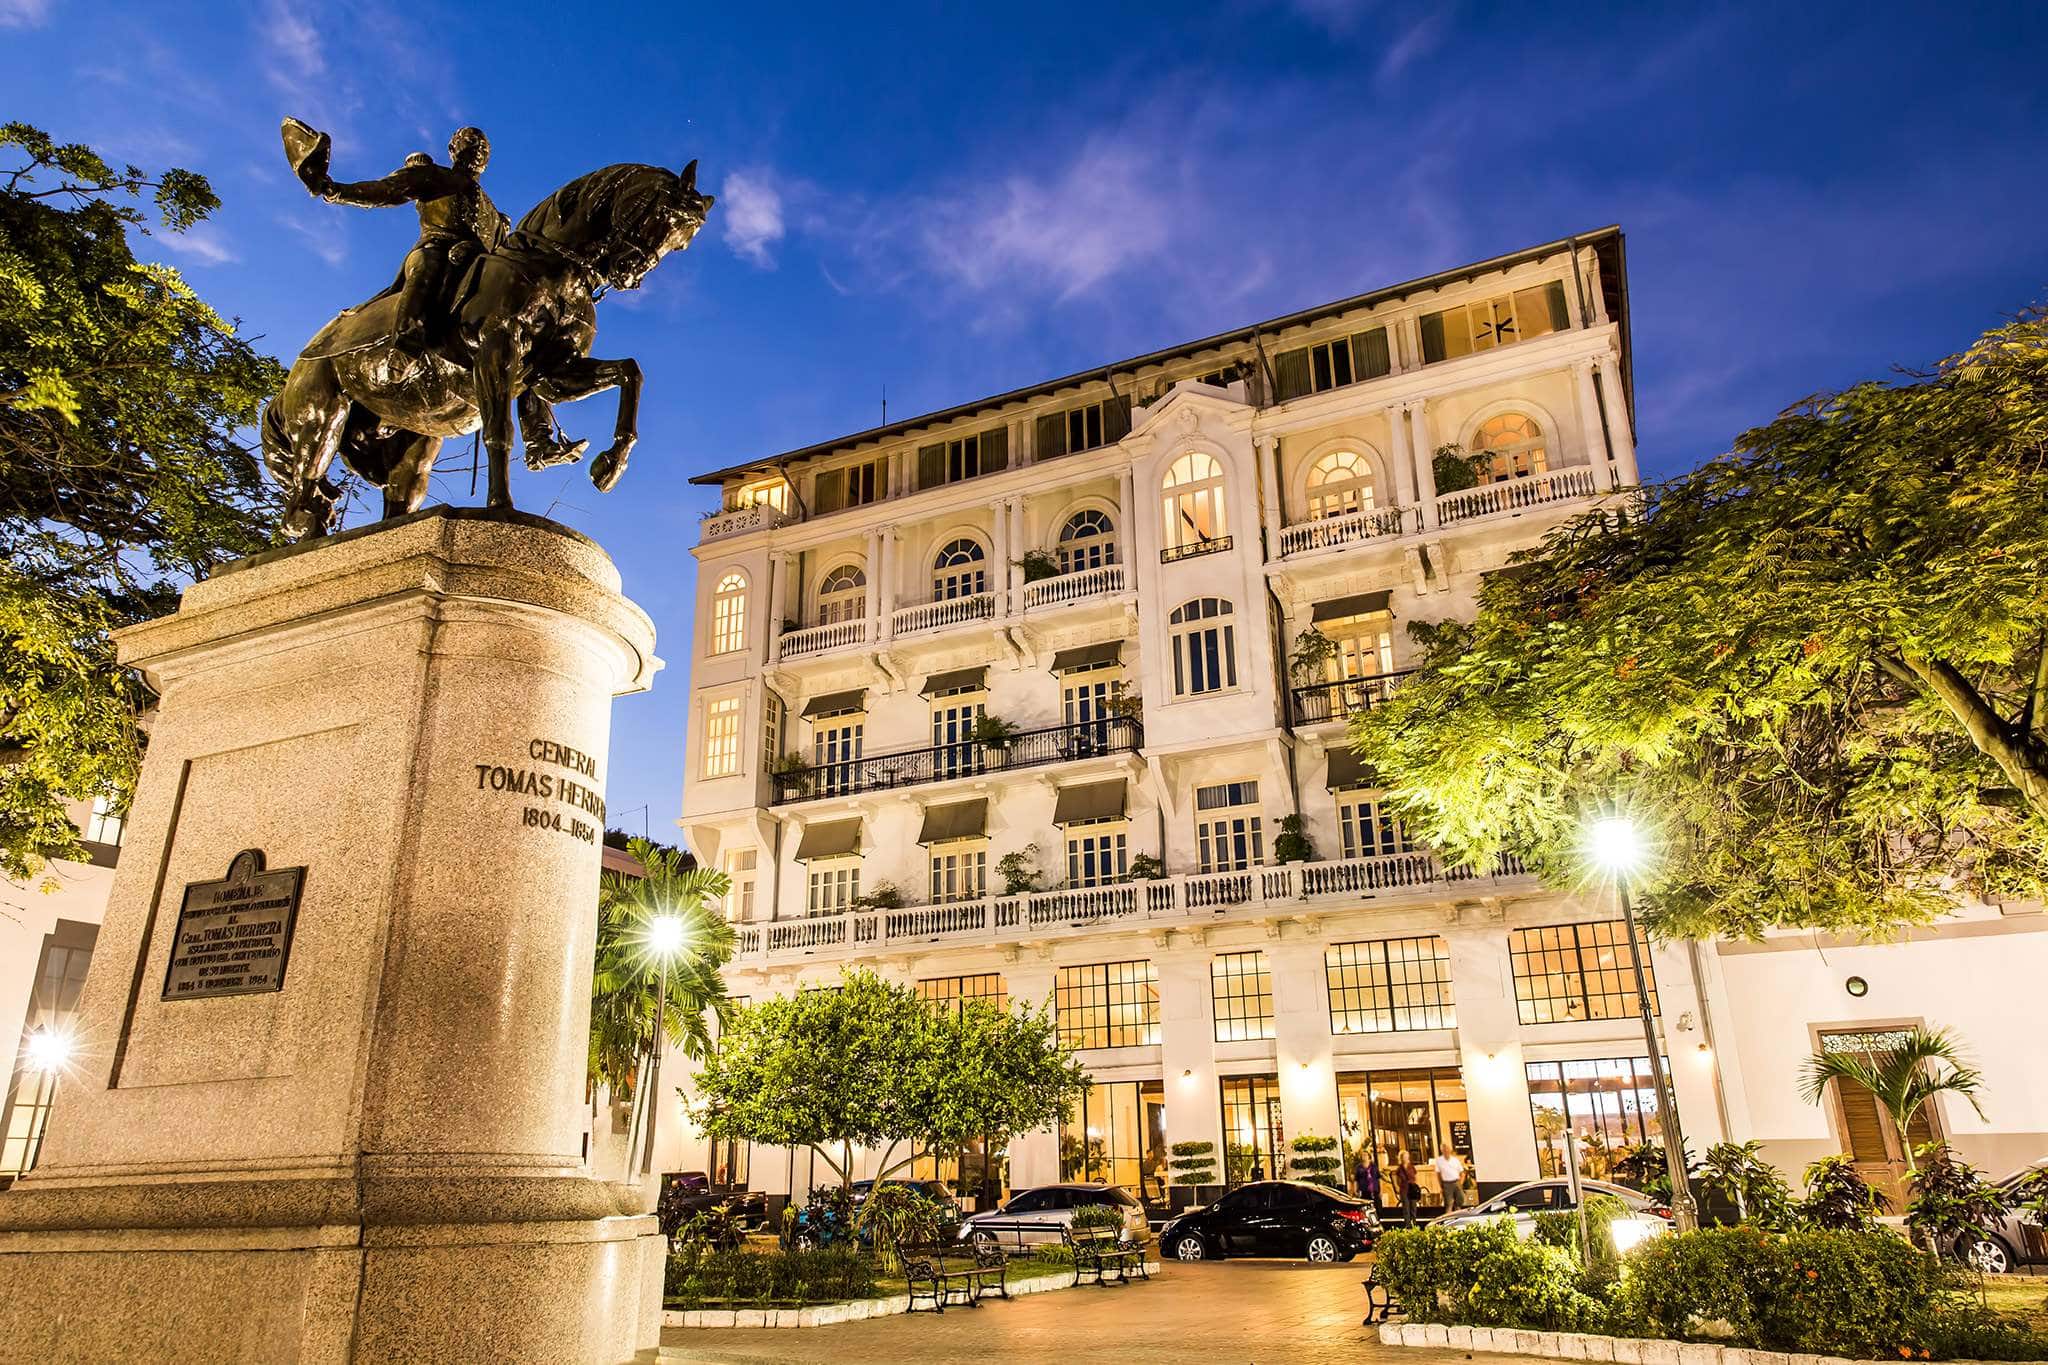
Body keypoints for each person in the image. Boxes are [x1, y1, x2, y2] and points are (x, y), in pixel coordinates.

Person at [1395, 1149, 1420, 1228]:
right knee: (1406, 1208)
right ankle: (1408, 1225)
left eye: (1406, 1156)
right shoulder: (1399, 1169)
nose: (1405, 1158)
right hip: (1404, 1189)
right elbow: (1398, 1181)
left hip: (1412, 1189)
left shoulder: (1411, 1166)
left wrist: (1415, 1185)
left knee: (1413, 1207)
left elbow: (1415, 1177)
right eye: (1403, 1157)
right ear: (1401, 1158)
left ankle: (1414, 1224)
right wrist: (1402, 1186)